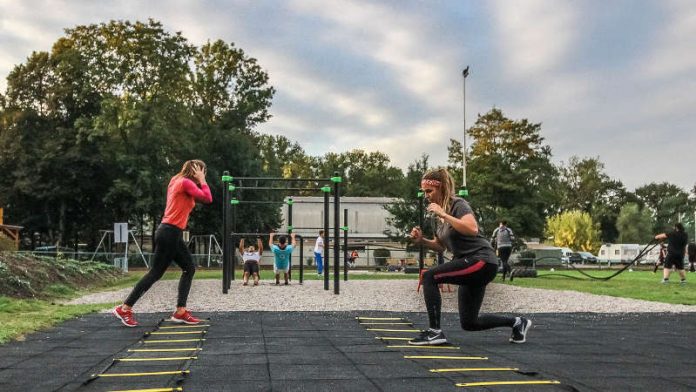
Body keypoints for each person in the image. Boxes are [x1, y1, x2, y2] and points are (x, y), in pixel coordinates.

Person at [409, 168, 531, 345]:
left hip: (481, 260)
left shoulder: (458, 204)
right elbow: (441, 247)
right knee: (470, 323)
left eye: (429, 191)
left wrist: (444, 214)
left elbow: (472, 229)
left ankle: (435, 332)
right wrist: (422, 240)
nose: (426, 195)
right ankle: (517, 323)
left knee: (429, 277)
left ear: (442, 188)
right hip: (469, 263)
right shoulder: (435, 218)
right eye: (424, 191)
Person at [112, 160, 212, 327]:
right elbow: (208, 198)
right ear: (196, 171)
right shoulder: (185, 182)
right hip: (169, 232)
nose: (204, 175)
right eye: (203, 172)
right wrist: (202, 180)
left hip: (171, 232)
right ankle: (125, 308)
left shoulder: (175, 180)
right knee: (156, 273)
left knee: (188, 268)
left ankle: (180, 311)